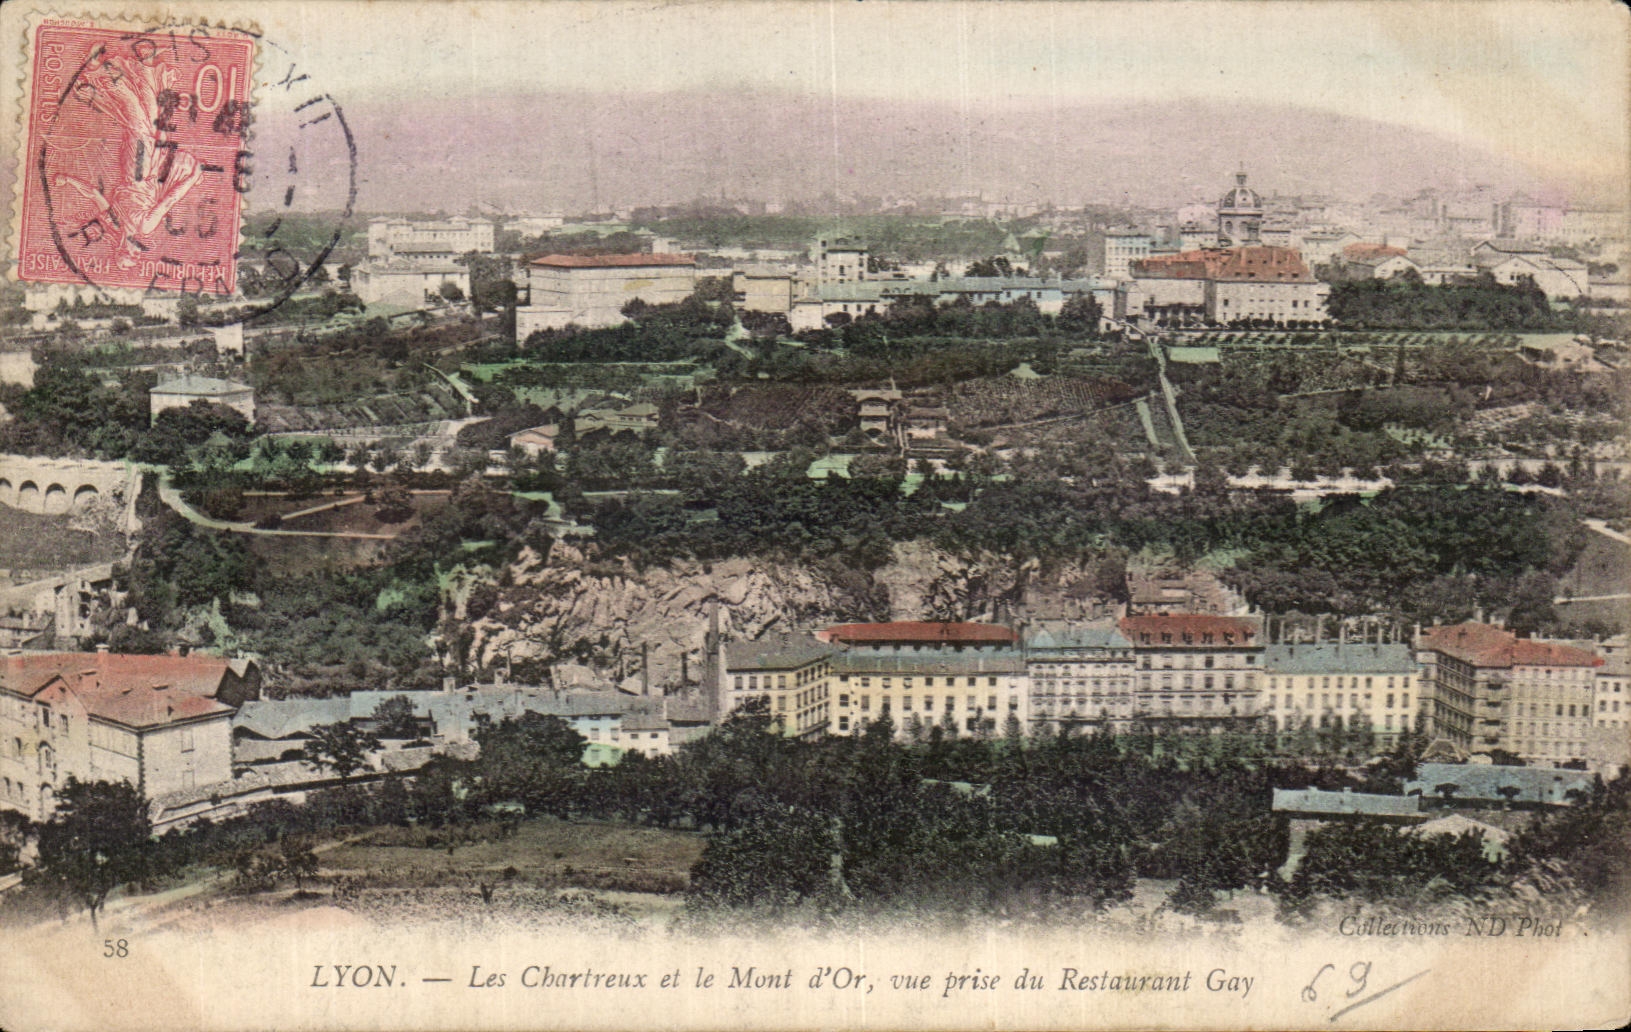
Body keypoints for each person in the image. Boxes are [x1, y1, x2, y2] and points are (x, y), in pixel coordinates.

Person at [51, 43, 206, 268]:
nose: (130, 251)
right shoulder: (145, 226)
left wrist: (68, 180)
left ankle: (102, 72)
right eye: (133, 255)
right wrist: (191, 179)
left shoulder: (114, 223)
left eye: (125, 254)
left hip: (136, 167)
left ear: (119, 249)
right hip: (149, 167)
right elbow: (170, 199)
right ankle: (141, 66)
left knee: (138, 116)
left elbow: (94, 194)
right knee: (150, 115)